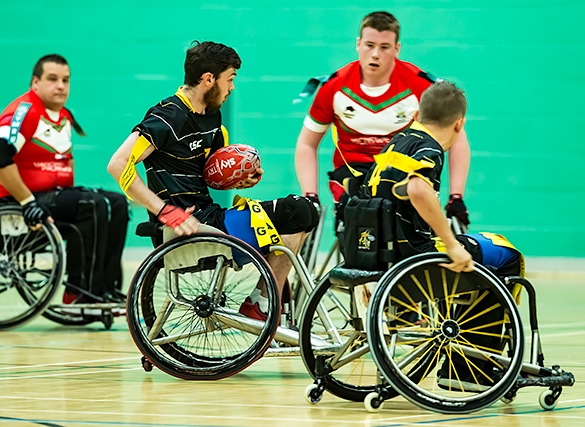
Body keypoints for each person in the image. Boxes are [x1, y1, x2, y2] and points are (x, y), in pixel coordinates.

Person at [107, 41, 319, 321]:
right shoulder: (167, 117)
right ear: (208, 79)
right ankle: (262, 303)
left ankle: (265, 300)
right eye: (230, 79)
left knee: (304, 214)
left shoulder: (212, 118)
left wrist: (241, 179)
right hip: (187, 228)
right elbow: (117, 165)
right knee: (299, 210)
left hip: (210, 217)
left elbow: (212, 174)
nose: (232, 87)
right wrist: (165, 211)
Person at [362, 80, 523, 391]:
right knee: (506, 254)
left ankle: (462, 358)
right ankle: (468, 368)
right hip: (415, 259)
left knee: (482, 245)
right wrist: (451, 244)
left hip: (384, 255)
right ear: (459, 124)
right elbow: (419, 189)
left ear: (420, 114)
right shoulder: (430, 148)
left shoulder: (397, 141)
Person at [294, 11, 471, 231]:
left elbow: (458, 137)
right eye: (369, 45)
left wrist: (456, 197)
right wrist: (310, 195)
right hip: (351, 174)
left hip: (400, 173)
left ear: (397, 48)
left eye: (384, 47)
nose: (375, 54)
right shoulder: (334, 87)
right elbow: (306, 144)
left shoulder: (421, 87)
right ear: (358, 44)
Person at [0, 54, 129, 304]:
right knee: (91, 205)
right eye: (53, 79)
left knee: (117, 203)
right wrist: (28, 202)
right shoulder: (25, 112)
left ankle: (106, 287)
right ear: (35, 82)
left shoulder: (63, 116)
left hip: (53, 196)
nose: (61, 86)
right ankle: (79, 290)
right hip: (17, 201)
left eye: (66, 80)